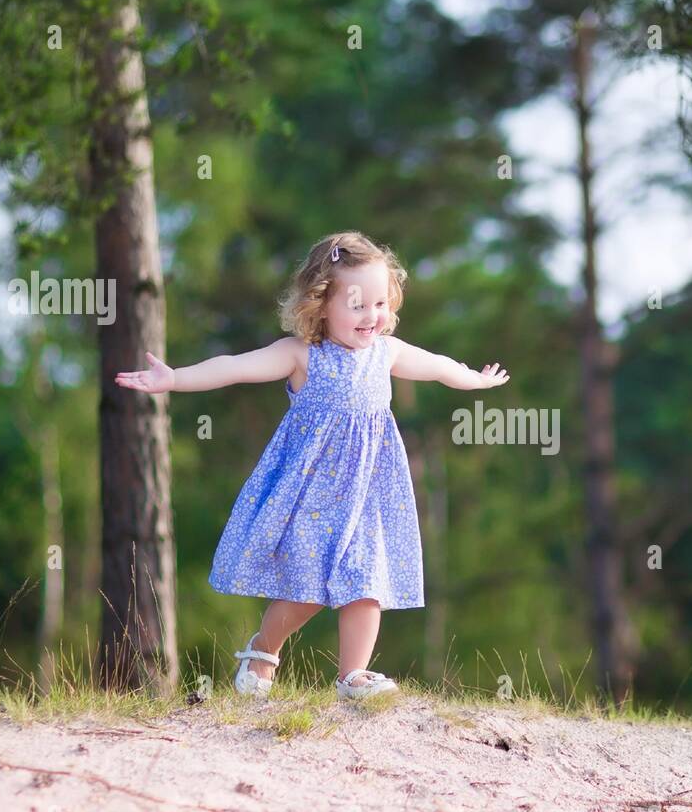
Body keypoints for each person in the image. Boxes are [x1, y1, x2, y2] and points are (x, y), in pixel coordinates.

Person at [114, 231, 509, 699]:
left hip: (368, 493)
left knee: (367, 583)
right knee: (306, 590)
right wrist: (175, 379)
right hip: (311, 494)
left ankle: (353, 676)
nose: (372, 316)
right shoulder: (302, 355)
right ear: (321, 304)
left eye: (380, 303)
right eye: (358, 304)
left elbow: (440, 366)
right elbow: (235, 366)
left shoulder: (387, 353)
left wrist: (474, 381)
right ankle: (263, 651)